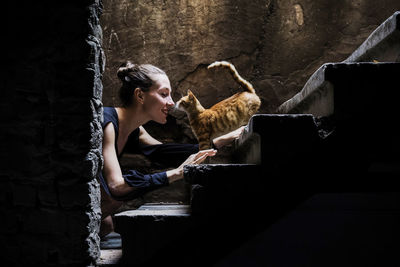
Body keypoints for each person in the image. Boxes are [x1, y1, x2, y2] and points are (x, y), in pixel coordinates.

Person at [99, 61, 244, 237]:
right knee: (110, 208)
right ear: (140, 95)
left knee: (107, 225)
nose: (171, 102)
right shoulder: (108, 123)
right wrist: (178, 173)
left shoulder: (135, 130)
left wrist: (220, 141)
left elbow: (166, 152)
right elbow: (117, 186)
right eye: (164, 94)